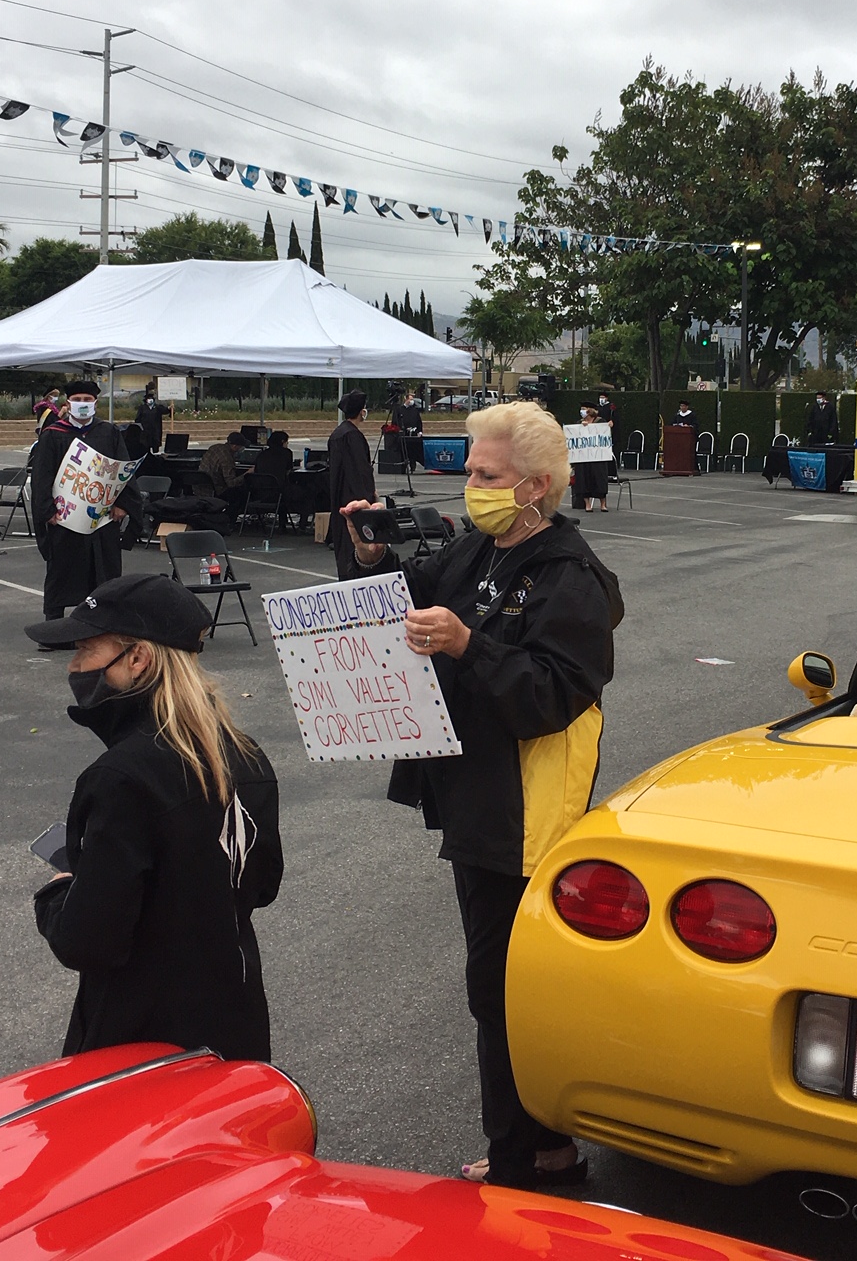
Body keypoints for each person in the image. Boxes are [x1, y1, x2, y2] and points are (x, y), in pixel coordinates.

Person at [340, 401, 623, 1191]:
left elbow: (553, 693)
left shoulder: (571, 577)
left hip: (527, 812)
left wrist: (470, 645)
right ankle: (536, 1145)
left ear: (536, 486)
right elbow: (410, 593)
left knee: (505, 991)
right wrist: (369, 556)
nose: (469, 484)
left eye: (485, 474)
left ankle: (525, 1164)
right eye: (469, 470)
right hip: (477, 800)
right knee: (498, 987)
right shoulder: (481, 548)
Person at [27, 574, 282, 1058]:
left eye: (86, 650)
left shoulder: (120, 778)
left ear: (138, 659)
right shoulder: (247, 757)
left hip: (140, 1037)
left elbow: (88, 941)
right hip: (234, 1018)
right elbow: (262, 883)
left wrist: (60, 890)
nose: (75, 667)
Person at [30, 378, 132, 622]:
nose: (83, 404)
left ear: (96, 402)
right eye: (78, 400)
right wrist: (47, 511)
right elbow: (42, 477)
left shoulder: (108, 432)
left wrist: (123, 504)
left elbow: (122, 469)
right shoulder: (53, 435)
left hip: (102, 518)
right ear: (68, 403)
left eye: (88, 400)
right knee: (62, 572)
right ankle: (54, 628)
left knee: (103, 571)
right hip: (65, 519)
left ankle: (103, 625)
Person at [326, 391, 378, 579]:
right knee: (356, 545)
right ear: (360, 411)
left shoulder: (338, 434)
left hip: (340, 496)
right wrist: (370, 497)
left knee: (344, 545)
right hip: (354, 499)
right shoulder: (352, 436)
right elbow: (359, 471)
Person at [570, 404, 610, 512]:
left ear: (590, 411)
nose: (582, 411)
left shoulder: (600, 422)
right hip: (584, 457)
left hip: (598, 456)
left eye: (584, 409)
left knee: (599, 478)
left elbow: (605, 433)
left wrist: (609, 426)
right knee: (584, 479)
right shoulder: (579, 423)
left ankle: (603, 503)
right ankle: (587, 504)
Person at [198, 429, 247, 508]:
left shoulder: (214, 448)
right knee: (243, 491)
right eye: (241, 447)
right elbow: (231, 484)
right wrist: (247, 473)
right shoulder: (227, 458)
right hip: (217, 490)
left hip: (200, 489)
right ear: (234, 446)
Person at [134, 385, 165, 456]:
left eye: (151, 398)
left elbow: (165, 410)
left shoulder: (157, 407)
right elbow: (138, 418)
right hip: (145, 430)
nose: (150, 400)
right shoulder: (142, 408)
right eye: (149, 399)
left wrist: (170, 408)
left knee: (155, 445)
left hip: (155, 429)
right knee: (145, 446)